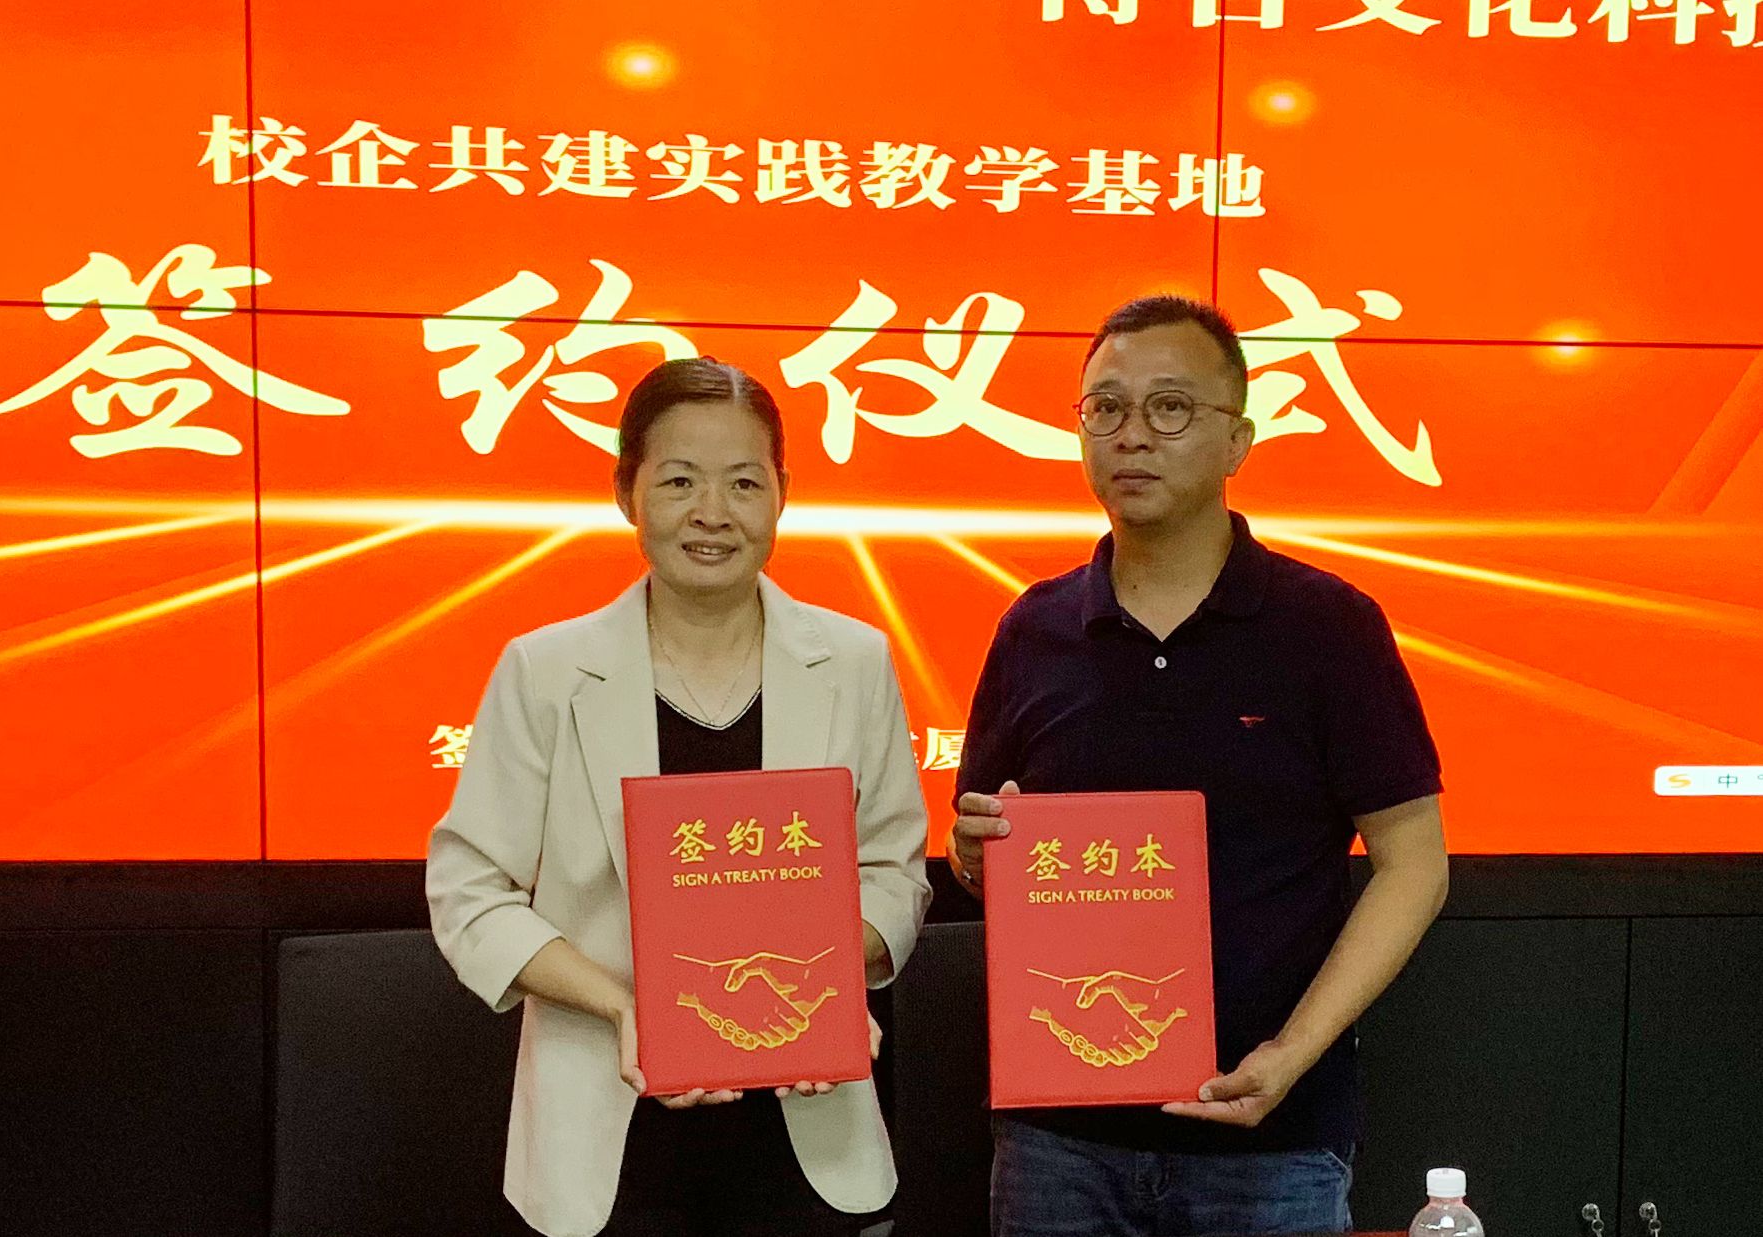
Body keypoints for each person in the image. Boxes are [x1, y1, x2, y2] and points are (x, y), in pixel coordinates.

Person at [951, 296, 1449, 1236]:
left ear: (1237, 441)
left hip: (1270, 1136)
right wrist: (976, 849)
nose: (1132, 434)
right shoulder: (1034, 628)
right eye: (1106, 407)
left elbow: (1414, 861)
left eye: (1170, 407)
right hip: (1059, 1142)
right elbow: (982, 852)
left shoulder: (1329, 627)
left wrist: (1294, 1051)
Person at [427, 356, 931, 1237]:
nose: (713, 512)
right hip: (605, 1132)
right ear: (626, 492)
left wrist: (821, 984)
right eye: (679, 481)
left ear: (782, 494)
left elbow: (895, 870)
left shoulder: (853, 662)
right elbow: (469, 892)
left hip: (809, 1125)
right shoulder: (545, 670)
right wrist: (628, 1006)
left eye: (744, 482)